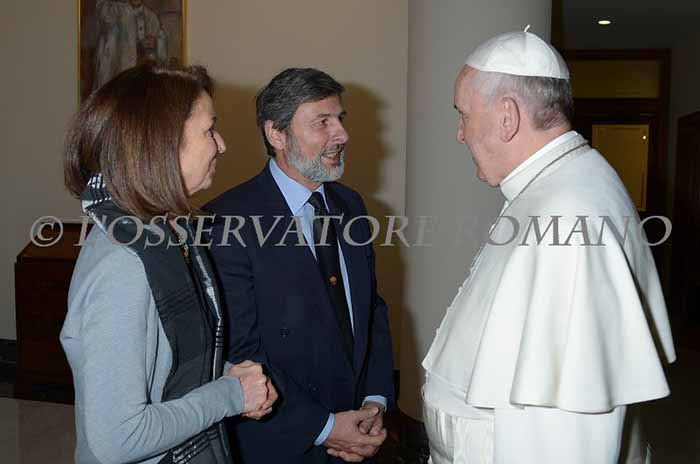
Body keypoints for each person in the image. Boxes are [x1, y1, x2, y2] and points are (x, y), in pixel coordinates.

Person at [421, 28, 676, 463]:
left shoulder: (568, 215)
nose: (460, 133)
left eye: (464, 114)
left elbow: (564, 437)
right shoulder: (563, 181)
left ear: (506, 116)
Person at [60, 62, 277, 464]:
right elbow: (118, 439)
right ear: (162, 143)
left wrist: (227, 376)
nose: (221, 145)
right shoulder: (124, 264)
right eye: (209, 130)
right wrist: (231, 394)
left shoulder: (165, 234)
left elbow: (166, 364)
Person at [206, 67, 395, 463]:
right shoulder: (224, 221)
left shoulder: (351, 205)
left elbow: (371, 311)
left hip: (359, 431)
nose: (342, 134)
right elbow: (241, 352)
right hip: (283, 444)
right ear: (277, 134)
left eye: (339, 118)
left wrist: (375, 401)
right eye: (322, 122)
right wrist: (326, 427)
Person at [95, 0, 169, 90]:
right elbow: (104, 19)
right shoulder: (114, 12)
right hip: (118, 77)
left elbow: (162, 49)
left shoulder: (151, 16)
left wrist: (156, 43)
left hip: (142, 80)